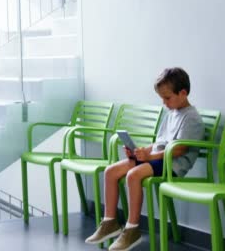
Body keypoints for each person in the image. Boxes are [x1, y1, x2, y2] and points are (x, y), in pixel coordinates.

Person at [85, 67, 204, 251]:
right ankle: (110, 222)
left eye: (167, 98)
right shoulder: (171, 114)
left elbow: (179, 149)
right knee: (111, 171)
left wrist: (149, 156)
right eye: (162, 99)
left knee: (134, 175)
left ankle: (132, 230)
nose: (164, 103)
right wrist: (140, 152)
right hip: (158, 159)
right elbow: (159, 143)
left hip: (172, 165)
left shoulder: (191, 118)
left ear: (183, 93)